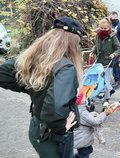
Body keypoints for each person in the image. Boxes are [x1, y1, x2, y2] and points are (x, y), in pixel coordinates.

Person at [0, 17, 83, 158]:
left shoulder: (35, 59)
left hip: (36, 129)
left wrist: (35, 88)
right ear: (72, 43)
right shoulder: (66, 67)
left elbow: (3, 74)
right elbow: (54, 110)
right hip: (53, 136)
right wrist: (63, 127)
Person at [92, 18, 120, 102]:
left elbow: (118, 48)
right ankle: (110, 89)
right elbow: (96, 45)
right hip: (98, 60)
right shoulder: (98, 35)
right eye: (101, 28)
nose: (103, 30)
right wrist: (92, 51)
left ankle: (106, 97)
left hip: (108, 61)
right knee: (99, 78)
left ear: (109, 27)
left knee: (106, 79)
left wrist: (114, 54)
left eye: (105, 28)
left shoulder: (112, 37)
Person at [74, 92, 111, 158]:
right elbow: (95, 121)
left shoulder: (76, 108)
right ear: (79, 101)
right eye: (83, 97)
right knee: (84, 154)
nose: (85, 97)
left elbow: (85, 120)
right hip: (83, 140)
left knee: (86, 151)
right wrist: (105, 113)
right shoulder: (82, 111)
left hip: (80, 138)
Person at [109, 11, 120, 88]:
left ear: (116, 17)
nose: (111, 19)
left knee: (114, 64)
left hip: (117, 48)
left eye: (112, 18)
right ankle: (119, 79)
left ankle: (117, 79)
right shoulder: (111, 26)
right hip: (112, 48)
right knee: (115, 63)